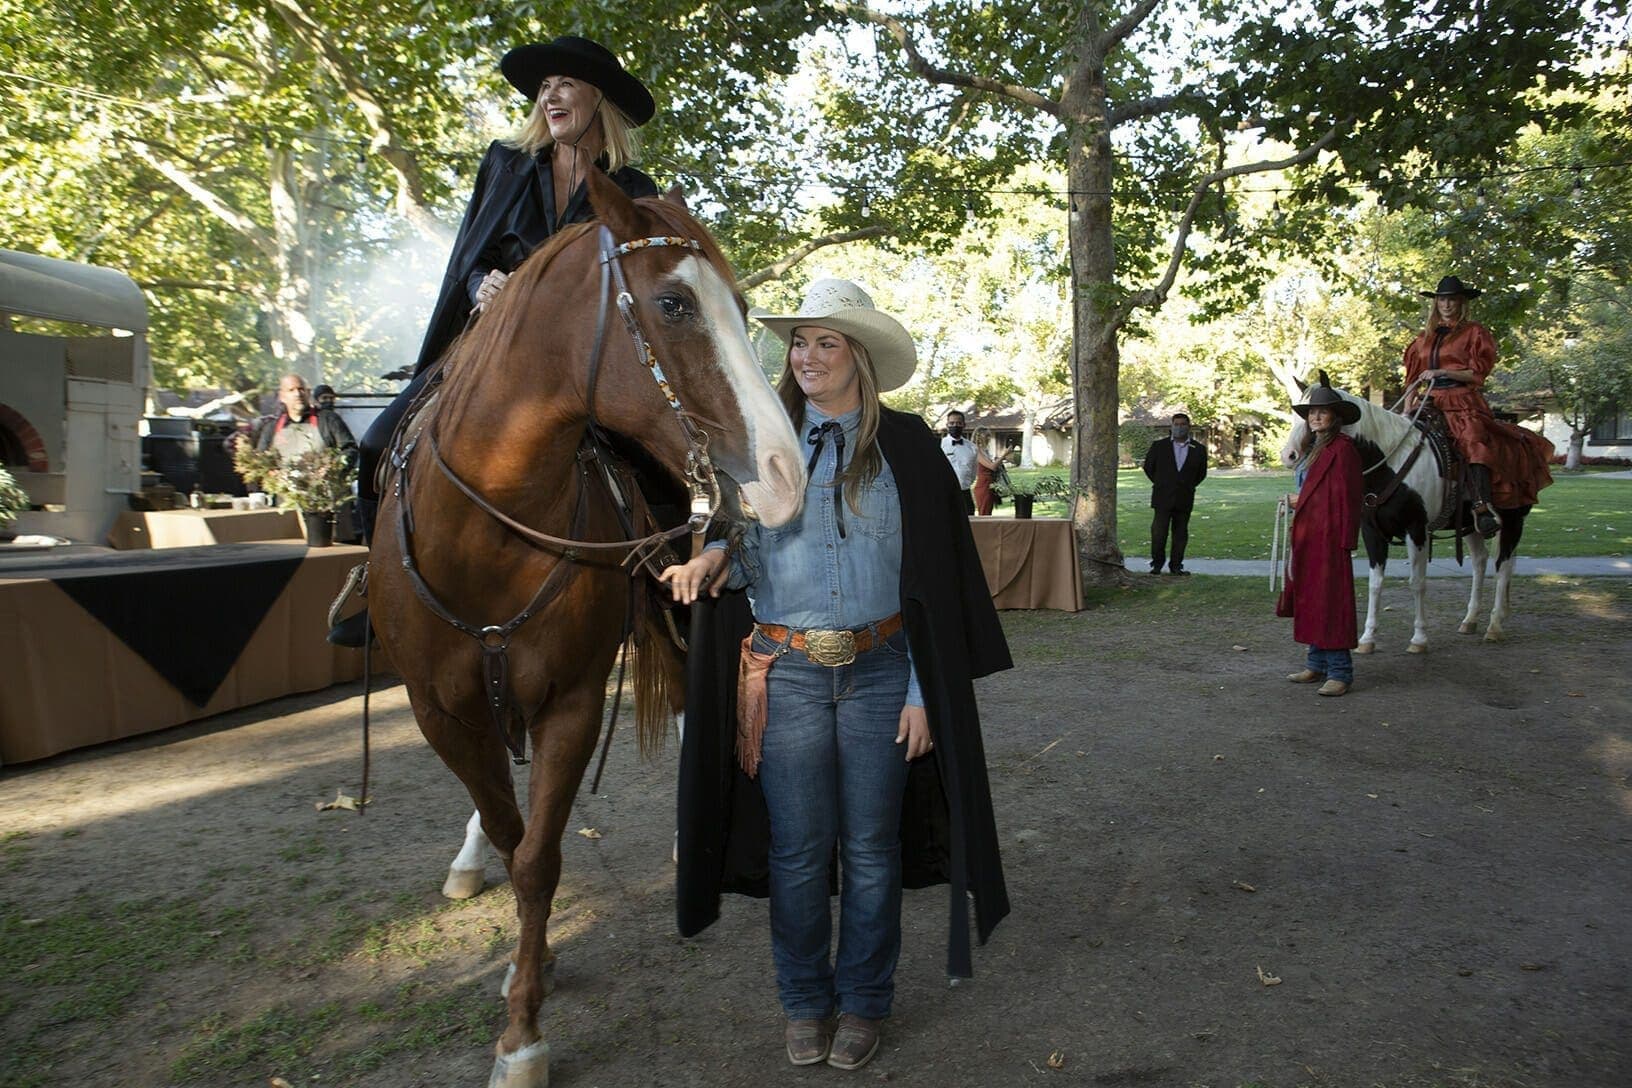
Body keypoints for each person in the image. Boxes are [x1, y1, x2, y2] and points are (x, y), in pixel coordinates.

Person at [660, 279, 1011, 1070]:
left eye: (827, 341)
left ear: (858, 356)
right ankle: (804, 1001)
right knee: (798, 850)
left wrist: (924, 690)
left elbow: (934, 580)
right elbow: (744, 549)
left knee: (874, 847)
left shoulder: (911, 448)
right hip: (786, 676)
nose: (809, 356)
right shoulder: (756, 441)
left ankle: (863, 1001)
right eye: (799, 341)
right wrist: (716, 555)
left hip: (885, 674)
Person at [334, 35, 659, 647]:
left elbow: (633, 289)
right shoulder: (506, 163)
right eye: (544, 86)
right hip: (487, 347)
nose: (550, 93)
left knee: (659, 465)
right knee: (378, 441)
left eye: (565, 82)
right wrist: (484, 284)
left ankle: (672, 598)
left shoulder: (634, 188)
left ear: (600, 99)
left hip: (581, 363)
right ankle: (375, 588)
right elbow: (470, 255)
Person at [1402, 276, 1554, 537]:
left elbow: (1476, 375)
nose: (1447, 304)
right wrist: (1406, 412)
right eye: (1442, 299)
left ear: (1462, 302)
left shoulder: (1475, 333)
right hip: (1430, 401)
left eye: (1452, 299)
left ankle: (1482, 507)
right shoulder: (1421, 339)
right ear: (1435, 302)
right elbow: (1412, 381)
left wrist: (1440, 372)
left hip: (1463, 401)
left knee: (1473, 440)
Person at [1284, 381, 1363, 697]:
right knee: (1313, 598)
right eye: (1313, 412)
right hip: (1308, 535)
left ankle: (1340, 672)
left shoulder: (1343, 451)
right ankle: (1316, 663)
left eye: (1323, 412)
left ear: (1335, 417)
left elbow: (1345, 498)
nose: (1316, 417)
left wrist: (1300, 501)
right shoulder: (1313, 449)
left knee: (1331, 602)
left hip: (1330, 538)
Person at [1141, 412, 1207, 575]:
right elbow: (1149, 468)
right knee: (1158, 533)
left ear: (1188, 426)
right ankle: (1157, 565)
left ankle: (1176, 566)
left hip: (1184, 497)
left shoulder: (1198, 449)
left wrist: (1187, 485)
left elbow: (1201, 473)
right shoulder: (1159, 446)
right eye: (1176, 424)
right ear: (1171, 426)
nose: (1179, 428)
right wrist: (1162, 483)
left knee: (1180, 534)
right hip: (1162, 498)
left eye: (1183, 424)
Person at [254, 374, 356, 463]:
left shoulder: (329, 420)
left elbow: (350, 449)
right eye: (291, 390)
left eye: (301, 389)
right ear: (282, 397)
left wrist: (334, 470)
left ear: (308, 393)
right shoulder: (271, 429)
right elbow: (261, 461)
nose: (298, 394)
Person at [970, 427, 1002, 516]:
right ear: (979, 437)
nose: (989, 439)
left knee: (988, 513)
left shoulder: (985, 451)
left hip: (990, 484)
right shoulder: (976, 451)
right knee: (984, 513)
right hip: (983, 485)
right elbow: (992, 467)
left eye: (989, 436)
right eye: (987, 436)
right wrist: (1004, 455)